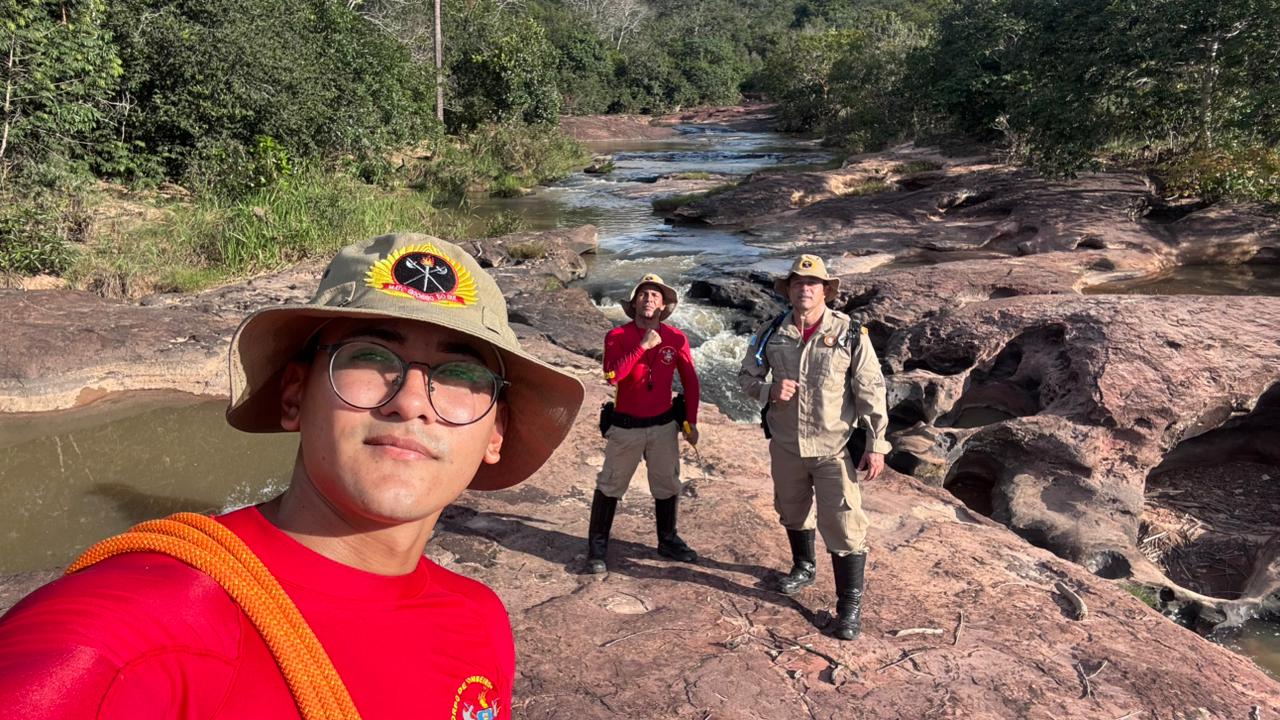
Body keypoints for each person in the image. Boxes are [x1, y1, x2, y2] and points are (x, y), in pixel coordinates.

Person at [0, 234, 584, 718]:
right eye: (371, 358)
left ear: (496, 434)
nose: (411, 402)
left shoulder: (478, 620)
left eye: (459, 373)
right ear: (294, 395)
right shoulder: (144, 624)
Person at [737, 254, 891, 641]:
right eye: (797, 283)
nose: (804, 289)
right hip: (786, 445)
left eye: (812, 283)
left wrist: (876, 442)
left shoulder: (851, 333)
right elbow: (746, 376)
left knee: (844, 524)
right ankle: (803, 567)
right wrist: (767, 389)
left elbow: (871, 389)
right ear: (788, 290)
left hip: (833, 447)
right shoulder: (771, 331)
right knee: (791, 511)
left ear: (825, 290)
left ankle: (848, 606)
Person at [586, 273, 701, 574]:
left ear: (663, 305)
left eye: (655, 295)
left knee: (666, 484)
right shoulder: (617, 337)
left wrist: (691, 421)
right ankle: (597, 545)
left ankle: (668, 539)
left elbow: (690, 382)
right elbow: (613, 375)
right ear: (634, 302)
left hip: (664, 426)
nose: (649, 299)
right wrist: (643, 346)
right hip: (626, 427)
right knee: (611, 484)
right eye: (644, 294)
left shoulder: (677, 338)